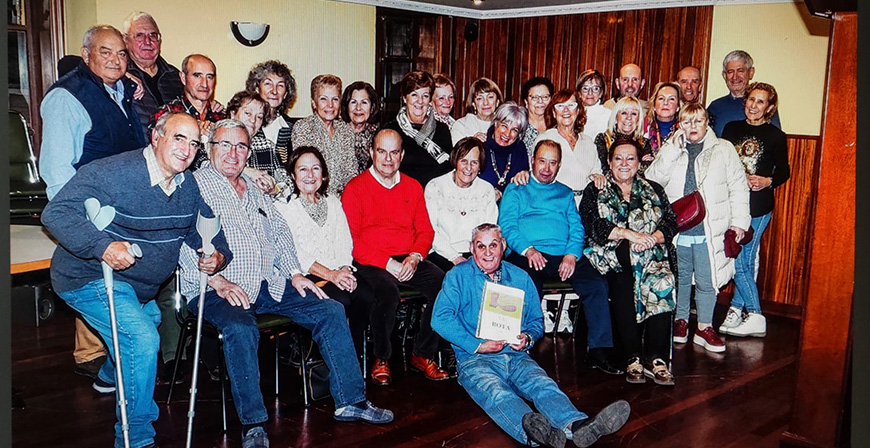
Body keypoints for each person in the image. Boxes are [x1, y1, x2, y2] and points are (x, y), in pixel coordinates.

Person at [178, 120, 393, 447]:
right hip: (215, 288)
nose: (234, 154)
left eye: (241, 147)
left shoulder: (253, 190)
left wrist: (294, 273)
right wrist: (217, 280)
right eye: (225, 145)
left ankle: (351, 400)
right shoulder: (193, 187)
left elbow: (280, 236)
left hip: (268, 284)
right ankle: (254, 424)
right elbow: (180, 242)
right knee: (240, 329)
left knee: (330, 309)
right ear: (210, 148)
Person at [42, 112, 231, 448]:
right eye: (178, 138)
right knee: (142, 340)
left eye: (194, 143)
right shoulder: (113, 172)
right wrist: (103, 247)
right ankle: (138, 440)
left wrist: (217, 255)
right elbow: (55, 213)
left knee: (138, 334)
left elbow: (207, 230)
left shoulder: (188, 187)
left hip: (141, 289)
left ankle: (108, 376)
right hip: (86, 276)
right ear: (156, 137)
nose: (187, 149)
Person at [431, 223, 631, 448]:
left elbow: (536, 321)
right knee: (497, 394)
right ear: (472, 248)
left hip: (516, 355)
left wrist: (527, 337)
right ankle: (537, 435)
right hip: (475, 359)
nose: (488, 252)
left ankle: (577, 426)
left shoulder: (520, 277)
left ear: (503, 246)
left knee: (543, 385)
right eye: (481, 246)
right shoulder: (457, 276)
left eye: (493, 245)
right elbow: (440, 318)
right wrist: (477, 345)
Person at [39, 24, 149, 386]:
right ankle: (106, 363)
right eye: (106, 52)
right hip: (92, 216)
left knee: (134, 302)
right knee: (104, 293)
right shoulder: (66, 98)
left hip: (123, 212)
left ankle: (113, 369)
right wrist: (80, 227)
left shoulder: (120, 90)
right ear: (86, 55)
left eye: (121, 53)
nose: (115, 60)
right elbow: (56, 174)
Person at [499, 140, 621, 374]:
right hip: (528, 253)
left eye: (552, 163)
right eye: (542, 161)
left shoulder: (564, 193)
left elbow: (576, 228)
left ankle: (599, 351)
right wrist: (528, 249)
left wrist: (572, 255)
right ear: (533, 161)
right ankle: (522, 348)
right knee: (525, 285)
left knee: (597, 285)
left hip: (562, 255)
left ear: (559, 165)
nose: (546, 168)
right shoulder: (516, 188)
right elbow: (507, 225)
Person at [342, 129, 450, 384]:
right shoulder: (355, 188)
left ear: (402, 155)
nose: (388, 159)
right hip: (371, 260)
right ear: (371, 153)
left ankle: (422, 353)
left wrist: (414, 257)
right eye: (382, 151)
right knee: (387, 291)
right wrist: (388, 263)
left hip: (407, 256)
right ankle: (382, 357)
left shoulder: (412, 186)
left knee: (444, 284)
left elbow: (425, 230)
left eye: (394, 152)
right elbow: (352, 242)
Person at [645, 103, 750, 353]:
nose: (692, 127)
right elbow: (652, 179)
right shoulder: (673, 148)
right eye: (687, 121)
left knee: (707, 280)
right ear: (680, 124)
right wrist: (671, 150)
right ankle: (680, 322)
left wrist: (739, 223)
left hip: (709, 228)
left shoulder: (723, 149)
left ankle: (704, 327)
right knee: (680, 278)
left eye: (698, 121)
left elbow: (738, 186)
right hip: (678, 228)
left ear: (707, 123)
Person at [579, 138, 677, 385]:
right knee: (624, 279)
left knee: (662, 279)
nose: (624, 163)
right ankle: (633, 357)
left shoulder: (654, 189)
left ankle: (657, 358)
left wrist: (652, 239)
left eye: (630, 158)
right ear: (609, 162)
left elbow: (670, 222)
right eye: (618, 158)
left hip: (649, 254)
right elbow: (592, 223)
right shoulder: (595, 189)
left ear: (638, 163)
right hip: (609, 256)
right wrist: (630, 235)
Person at [275, 146, 377, 357]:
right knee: (341, 300)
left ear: (324, 174)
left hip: (337, 271)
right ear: (293, 175)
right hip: (305, 276)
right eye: (303, 169)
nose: (310, 175)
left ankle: (352, 354)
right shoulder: (285, 209)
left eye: (316, 168)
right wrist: (331, 275)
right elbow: (294, 252)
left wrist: (344, 270)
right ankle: (325, 358)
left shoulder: (333, 203)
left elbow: (344, 242)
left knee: (365, 294)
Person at [719, 82, 790, 338]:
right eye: (751, 99)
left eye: (760, 102)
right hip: (731, 203)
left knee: (743, 260)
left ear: (769, 107)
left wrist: (766, 181)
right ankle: (737, 309)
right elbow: (720, 161)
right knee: (738, 258)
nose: (753, 105)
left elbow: (784, 171)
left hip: (758, 207)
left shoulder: (775, 136)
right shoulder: (731, 129)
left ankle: (756, 315)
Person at [424, 138, 499, 273]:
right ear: (455, 161)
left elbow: (488, 232)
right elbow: (431, 231)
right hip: (441, 254)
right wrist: (455, 257)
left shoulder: (486, 190)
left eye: (474, 162)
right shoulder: (435, 186)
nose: (469, 168)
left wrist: (478, 256)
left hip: (476, 254)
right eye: (464, 161)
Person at [153, 53, 226, 168]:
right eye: (197, 76)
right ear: (183, 78)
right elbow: (156, 158)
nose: (204, 84)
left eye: (210, 77)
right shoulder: (167, 114)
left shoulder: (221, 117)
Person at [384, 71, 453, 187]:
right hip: (401, 195)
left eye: (425, 96)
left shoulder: (442, 130)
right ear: (405, 98)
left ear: (430, 100)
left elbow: (449, 169)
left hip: (434, 196)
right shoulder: (390, 131)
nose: (420, 101)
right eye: (414, 95)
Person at [292, 74, 358, 194]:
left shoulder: (346, 131)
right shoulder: (303, 128)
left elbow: (351, 173)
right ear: (314, 103)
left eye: (335, 99)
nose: (330, 105)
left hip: (341, 200)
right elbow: (305, 174)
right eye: (323, 99)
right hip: (313, 196)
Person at [534, 89, 603, 205]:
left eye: (571, 105)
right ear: (554, 113)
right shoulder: (545, 139)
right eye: (560, 106)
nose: (566, 110)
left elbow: (597, 171)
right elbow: (535, 176)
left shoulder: (588, 142)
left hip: (585, 204)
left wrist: (598, 177)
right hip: (554, 202)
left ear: (578, 110)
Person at [122, 11, 185, 135]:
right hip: (138, 151)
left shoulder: (175, 76)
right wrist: (123, 74)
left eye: (153, 35)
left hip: (174, 149)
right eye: (139, 35)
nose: (147, 41)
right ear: (125, 41)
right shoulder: (118, 77)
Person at [707, 50, 781, 136]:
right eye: (730, 72)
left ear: (751, 72)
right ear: (724, 75)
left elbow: (775, 138)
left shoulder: (763, 106)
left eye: (740, 71)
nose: (735, 77)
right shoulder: (715, 107)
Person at [246, 59, 297, 180]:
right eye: (268, 84)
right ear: (257, 88)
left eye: (280, 85)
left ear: (285, 93)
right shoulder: (246, 122)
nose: (274, 91)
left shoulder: (292, 127)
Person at [226, 91, 281, 195]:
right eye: (247, 113)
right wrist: (246, 171)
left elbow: (287, 184)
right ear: (233, 114)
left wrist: (274, 190)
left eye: (259, 117)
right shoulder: (219, 142)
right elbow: (205, 167)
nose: (253, 120)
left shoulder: (267, 146)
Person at [478, 102, 530, 197]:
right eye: (504, 126)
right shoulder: (480, 146)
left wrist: (526, 174)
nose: (507, 134)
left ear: (519, 134)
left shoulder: (520, 149)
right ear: (496, 123)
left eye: (514, 130)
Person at [594, 96, 652, 175]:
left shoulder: (644, 143)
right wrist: (638, 164)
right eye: (624, 113)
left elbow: (647, 171)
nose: (629, 117)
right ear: (616, 117)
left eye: (634, 114)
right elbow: (602, 169)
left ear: (638, 120)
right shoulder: (603, 139)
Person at [340, 80, 380, 172]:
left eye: (364, 102)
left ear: (372, 107)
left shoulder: (378, 136)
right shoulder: (337, 132)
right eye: (353, 102)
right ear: (347, 106)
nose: (358, 108)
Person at [451, 77, 503, 145]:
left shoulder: (505, 126)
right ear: (474, 104)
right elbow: (457, 154)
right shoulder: (460, 125)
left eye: (490, 97)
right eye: (479, 98)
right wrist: (473, 142)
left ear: (497, 102)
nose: (485, 103)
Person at [643, 82, 682, 157]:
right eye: (661, 98)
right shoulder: (642, 128)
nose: (666, 103)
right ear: (654, 105)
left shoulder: (684, 130)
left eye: (671, 99)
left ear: (678, 107)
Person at [520, 76, 554, 153]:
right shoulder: (519, 127)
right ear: (526, 102)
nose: (540, 101)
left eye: (545, 97)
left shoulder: (556, 126)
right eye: (534, 97)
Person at [576, 69, 610, 140]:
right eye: (585, 88)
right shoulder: (573, 113)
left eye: (595, 88)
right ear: (579, 93)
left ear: (601, 93)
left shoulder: (609, 115)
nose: (590, 92)